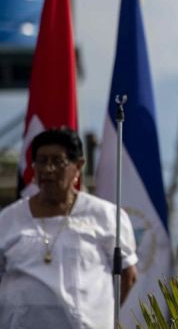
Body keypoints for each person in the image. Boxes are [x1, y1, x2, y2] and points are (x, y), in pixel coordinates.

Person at [0, 127, 138, 328]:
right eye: (42, 161)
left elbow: (128, 276)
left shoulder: (106, 216)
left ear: (78, 166)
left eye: (57, 161)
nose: (48, 169)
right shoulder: (8, 219)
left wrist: (101, 316)